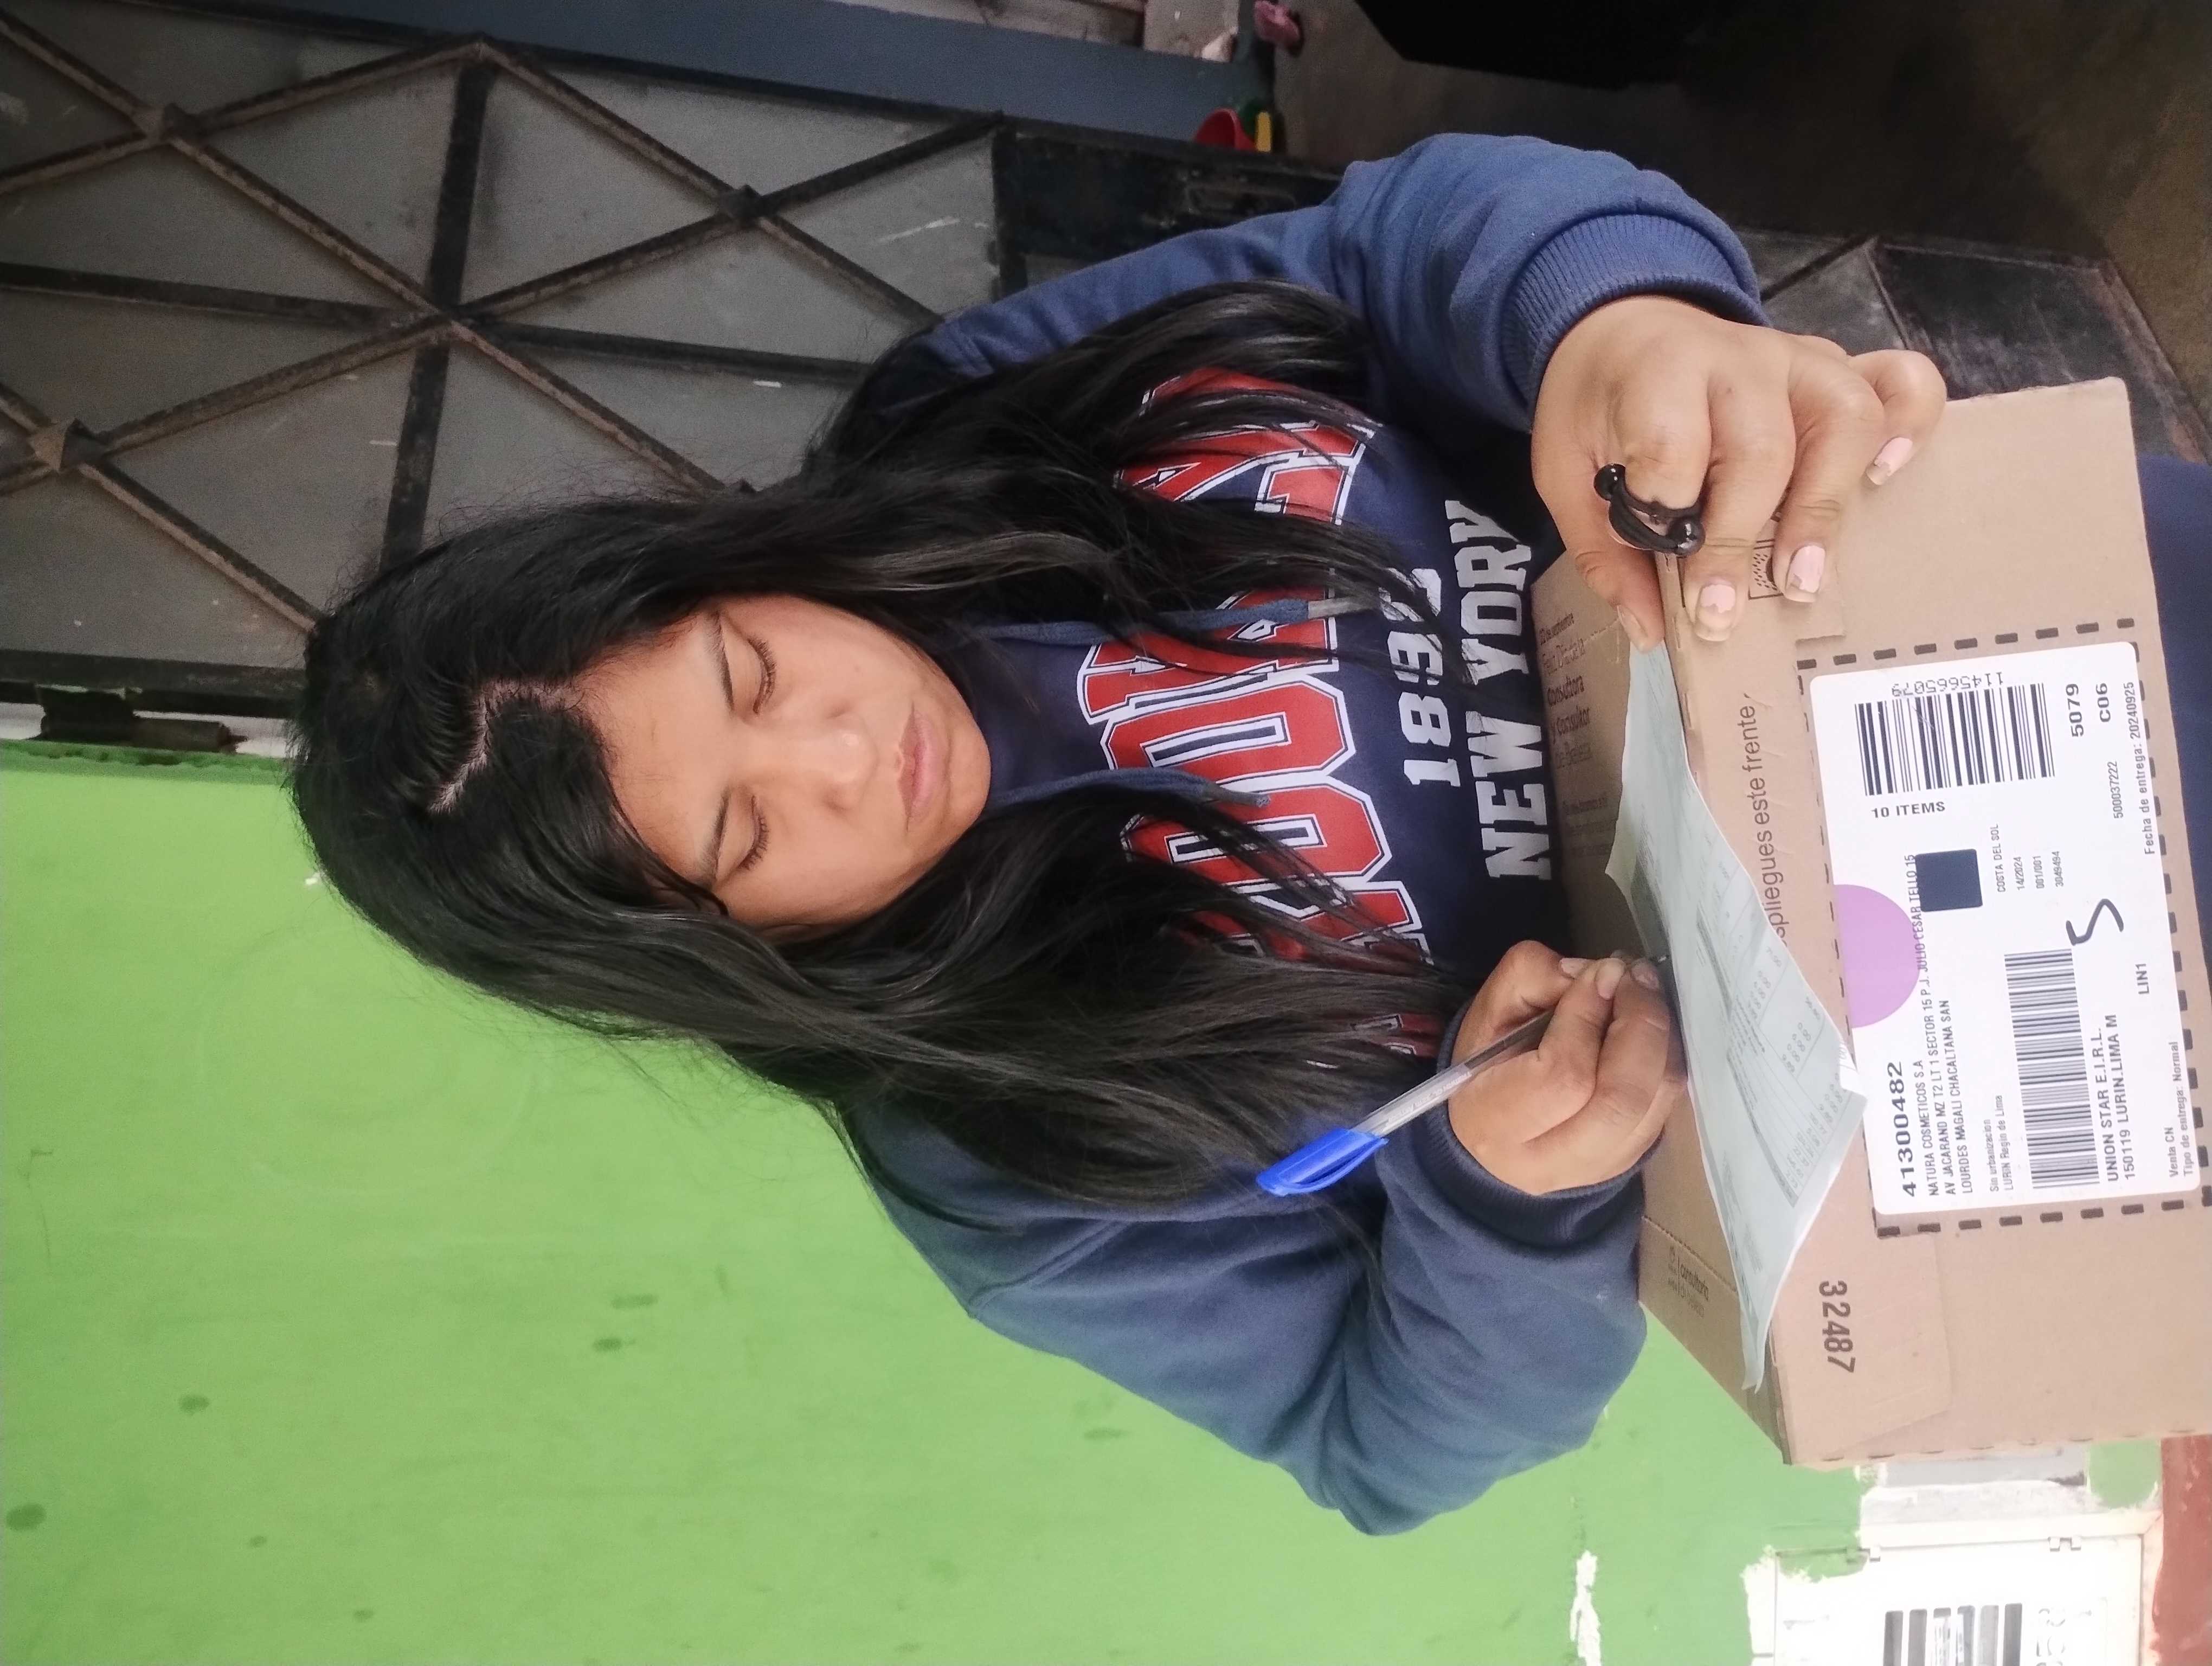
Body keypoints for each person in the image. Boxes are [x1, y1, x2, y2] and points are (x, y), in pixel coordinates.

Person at [295, 132, 2184, 1535]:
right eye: (739, 831)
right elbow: (1388, 1445)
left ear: (727, 564)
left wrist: (1607, 326)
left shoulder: (967, 428)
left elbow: (1397, 241)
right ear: (713, 956)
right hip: (2043, 1071)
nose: (846, 753)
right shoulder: (1006, 1158)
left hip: (2044, 628)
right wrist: (1499, 1201)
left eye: (750, 668)